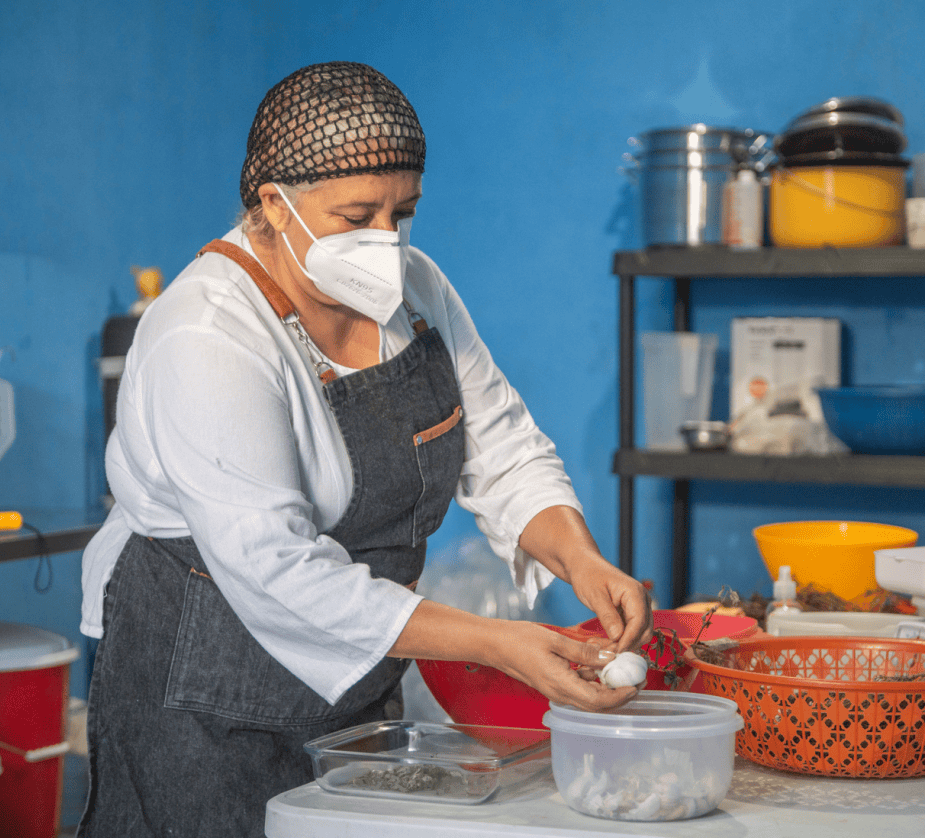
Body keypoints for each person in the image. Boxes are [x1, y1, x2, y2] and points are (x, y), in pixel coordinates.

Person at [77, 61, 653, 838]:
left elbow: (502, 444)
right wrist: (497, 643)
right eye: (356, 216)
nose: (386, 242)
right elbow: (275, 567)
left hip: (356, 685)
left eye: (403, 212)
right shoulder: (206, 334)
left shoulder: (414, 291)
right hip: (202, 691)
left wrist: (583, 560)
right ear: (275, 205)